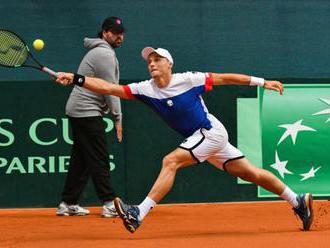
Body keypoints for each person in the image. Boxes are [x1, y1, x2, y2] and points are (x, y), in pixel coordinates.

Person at [55, 47, 313, 232]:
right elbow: (109, 88)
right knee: (250, 173)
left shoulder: (188, 79)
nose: (152, 63)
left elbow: (225, 78)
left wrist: (263, 81)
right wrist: (77, 79)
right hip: (203, 137)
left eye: (157, 59)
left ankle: (138, 213)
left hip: (210, 131)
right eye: (149, 61)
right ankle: (297, 200)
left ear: (169, 64)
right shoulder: (145, 89)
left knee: (171, 161)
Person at [56, 16, 125, 217]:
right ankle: (109, 202)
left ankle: (68, 203)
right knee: (99, 156)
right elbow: (110, 89)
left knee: (82, 159)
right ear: (105, 33)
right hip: (85, 111)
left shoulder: (103, 52)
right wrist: (118, 117)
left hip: (81, 110)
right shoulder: (104, 54)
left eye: (121, 33)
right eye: (115, 32)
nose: (119, 36)